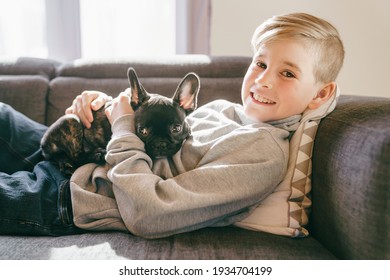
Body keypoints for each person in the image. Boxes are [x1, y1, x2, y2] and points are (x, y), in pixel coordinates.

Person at [0, 13, 344, 238]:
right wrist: (107, 111)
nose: (263, 81)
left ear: (321, 93)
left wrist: (122, 128)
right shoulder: (224, 110)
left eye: (287, 73)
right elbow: (153, 130)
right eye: (260, 63)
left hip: (77, 197)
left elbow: (149, 215)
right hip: (84, 160)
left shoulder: (262, 154)